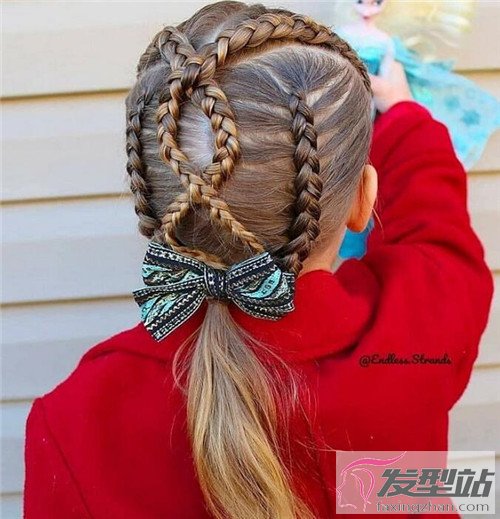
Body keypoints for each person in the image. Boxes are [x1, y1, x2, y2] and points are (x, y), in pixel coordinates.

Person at [23, 2, 493, 518]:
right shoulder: (415, 339)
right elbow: (438, 236)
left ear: (157, 201)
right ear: (364, 200)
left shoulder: (76, 419)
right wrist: (405, 119)